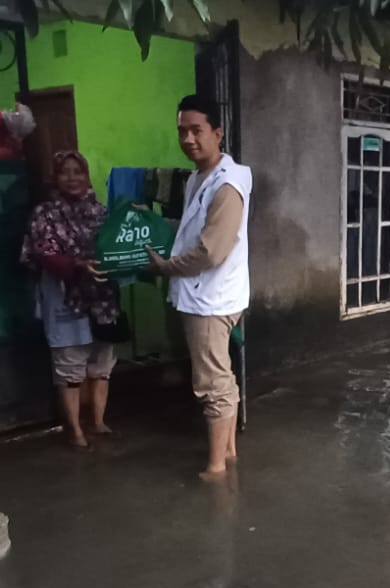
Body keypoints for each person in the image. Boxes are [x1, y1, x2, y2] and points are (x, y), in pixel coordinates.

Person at [145, 95, 251, 479]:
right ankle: (230, 452)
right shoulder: (198, 177)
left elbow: (211, 250)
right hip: (210, 294)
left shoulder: (226, 185)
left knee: (212, 382)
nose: (188, 139)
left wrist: (166, 268)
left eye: (196, 130)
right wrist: (156, 224)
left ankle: (216, 466)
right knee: (221, 374)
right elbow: (193, 230)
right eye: (182, 131)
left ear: (217, 133)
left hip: (210, 298)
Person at [21, 151, 119, 448]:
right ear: (56, 177)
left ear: (87, 176)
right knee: (70, 365)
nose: (73, 178)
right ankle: (75, 430)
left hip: (101, 298)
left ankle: (99, 421)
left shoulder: (100, 212)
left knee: (101, 361)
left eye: (79, 171)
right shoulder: (45, 214)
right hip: (64, 296)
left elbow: (115, 246)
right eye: (65, 172)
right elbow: (44, 254)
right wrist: (77, 265)